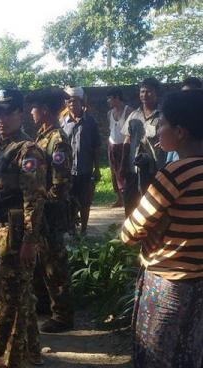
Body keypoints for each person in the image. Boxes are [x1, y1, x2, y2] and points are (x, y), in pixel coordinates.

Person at [121, 89, 203, 367]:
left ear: (180, 132)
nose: (158, 131)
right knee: (189, 357)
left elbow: (131, 232)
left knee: (155, 355)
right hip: (199, 285)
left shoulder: (175, 174)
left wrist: (157, 227)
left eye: (163, 124)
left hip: (168, 285)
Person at [0, 90, 45, 368]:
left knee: (11, 298)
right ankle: (31, 354)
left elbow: (33, 199)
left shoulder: (27, 150)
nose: (1, 118)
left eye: (7, 112)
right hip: (2, 229)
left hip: (17, 231)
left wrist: (30, 240)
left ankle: (8, 359)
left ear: (20, 114)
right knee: (19, 294)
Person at [29, 88, 74, 333]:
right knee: (41, 260)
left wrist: (45, 205)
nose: (31, 111)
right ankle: (45, 305)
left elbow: (60, 182)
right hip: (41, 210)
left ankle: (63, 315)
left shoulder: (57, 140)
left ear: (44, 110)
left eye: (34, 107)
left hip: (51, 212)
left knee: (54, 263)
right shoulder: (42, 136)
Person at [122, 77, 164, 216]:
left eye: (149, 92)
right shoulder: (134, 115)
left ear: (157, 93)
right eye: (142, 91)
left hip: (155, 168)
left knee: (152, 202)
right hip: (134, 168)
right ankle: (132, 233)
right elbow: (127, 140)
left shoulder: (163, 116)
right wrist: (123, 165)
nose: (145, 95)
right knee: (131, 201)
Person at [62, 87, 101, 235]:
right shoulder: (62, 122)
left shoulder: (90, 122)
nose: (72, 104)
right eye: (69, 101)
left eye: (75, 101)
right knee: (70, 202)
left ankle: (84, 230)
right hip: (68, 171)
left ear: (81, 102)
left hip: (85, 169)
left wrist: (97, 168)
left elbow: (96, 146)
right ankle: (72, 229)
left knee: (85, 202)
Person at [106, 87, 133, 208]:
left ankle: (127, 195)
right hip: (112, 145)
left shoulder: (129, 111)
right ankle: (119, 198)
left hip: (124, 145)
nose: (108, 101)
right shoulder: (109, 113)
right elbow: (111, 128)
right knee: (114, 171)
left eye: (110, 98)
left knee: (124, 170)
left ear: (116, 97)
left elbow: (131, 131)